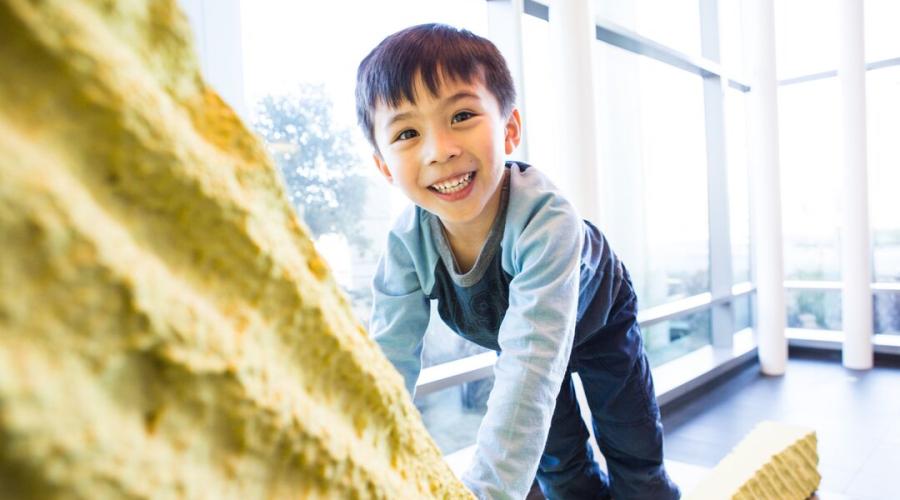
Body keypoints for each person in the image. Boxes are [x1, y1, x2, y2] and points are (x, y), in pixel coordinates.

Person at [356, 23, 680, 500]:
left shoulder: (545, 222)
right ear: (384, 165)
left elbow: (531, 372)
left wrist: (486, 493)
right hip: (519, 344)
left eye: (462, 115)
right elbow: (388, 362)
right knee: (559, 468)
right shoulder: (407, 246)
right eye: (407, 132)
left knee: (633, 448)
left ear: (509, 129)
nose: (440, 149)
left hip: (599, 321)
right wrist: (361, 460)